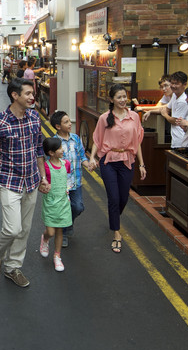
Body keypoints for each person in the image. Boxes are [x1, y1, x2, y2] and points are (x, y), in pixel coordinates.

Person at [0, 77, 49, 288]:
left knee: (25, 229)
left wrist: (43, 177)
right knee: (12, 229)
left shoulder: (34, 118)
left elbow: (39, 149)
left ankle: (12, 267)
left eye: (32, 93)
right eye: (28, 93)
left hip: (31, 181)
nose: (32, 97)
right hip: (9, 181)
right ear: (15, 95)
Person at [88, 83, 146, 254]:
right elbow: (97, 141)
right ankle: (117, 233)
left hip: (127, 160)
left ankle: (114, 218)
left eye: (124, 96)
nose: (123, 100)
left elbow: (137, 142)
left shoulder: (134, 116)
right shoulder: (104, 118)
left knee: (123, 198)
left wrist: (141, 164)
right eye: (119, 97)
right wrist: (92, 158)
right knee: (113, 198)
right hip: (109, 161)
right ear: (111, 99)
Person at [51, 110, 85, 247]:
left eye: (69, 121)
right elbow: (51, 163)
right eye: (66, 122)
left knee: (78, 207)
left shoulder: (76, 138)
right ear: (58, 126)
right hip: (62, 185)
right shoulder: (53, 142)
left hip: (76, 183)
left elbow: (82, 156)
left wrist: (89, 163)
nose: (70, 123)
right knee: (63, 210)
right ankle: (63, 233)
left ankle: (69, 224)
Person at [38, 137, 72, 272]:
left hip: (64, 202)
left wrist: (68, 189)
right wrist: (42, 186)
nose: (62, 150)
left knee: (60, 230)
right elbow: (41, 183)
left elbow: (67, 179)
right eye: (59, 148)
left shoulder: (66, 164)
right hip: (51, 203)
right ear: (51, 153)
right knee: (51, 231)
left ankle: (57, 256)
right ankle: (45, 239)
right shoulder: (45, 167)